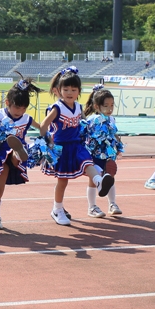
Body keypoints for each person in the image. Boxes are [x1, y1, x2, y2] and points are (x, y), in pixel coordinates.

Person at [39, 67, 114, 226]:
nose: (69, 92)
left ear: (79, 91)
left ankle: (99, 182)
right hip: (62, 148)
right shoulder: (57, 108)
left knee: (88, 163)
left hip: (78, 145)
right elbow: (43, 125)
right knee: (63, 182)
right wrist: (48, 142)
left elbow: (84, 124)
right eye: (66, 89)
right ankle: (57, 209)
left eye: (74, 90)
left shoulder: (79, 107)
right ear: (59, 90)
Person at [0, 74, 42, 230]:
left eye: (23, 108)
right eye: (17, 107)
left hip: (16, 155)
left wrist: (50, 137)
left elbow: (42, 128)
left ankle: (18, 152)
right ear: (7, 103)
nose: (20, 111)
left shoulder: (27, 119)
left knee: (16, 152)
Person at [83, 85, 122, 217]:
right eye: (106, 106)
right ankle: (92, 207)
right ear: (96, 106)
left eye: (112, 105)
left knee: (110, 178)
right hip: (94, 155)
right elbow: (85, 136)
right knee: (94, 180)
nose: (109, 109)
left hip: (108, 155)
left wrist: (118, 145)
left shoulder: (112, 119)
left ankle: (112, 204)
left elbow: (113, 133)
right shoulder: (91, 120)